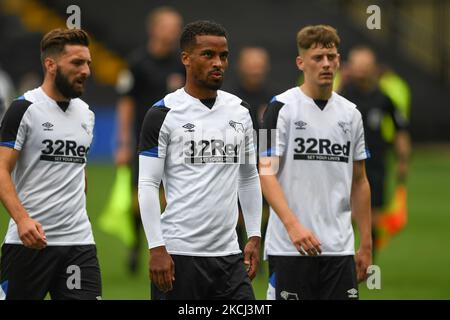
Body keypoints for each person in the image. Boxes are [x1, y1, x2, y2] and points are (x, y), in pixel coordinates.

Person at [138, 20, 262, 300]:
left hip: (230, 256)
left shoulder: (241, 111)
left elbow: (249, 176)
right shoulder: (162, 113)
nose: (218, 62)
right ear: (186, 58)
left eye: (223, 56)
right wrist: (157, 247)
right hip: (179, 255)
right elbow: (147, 183)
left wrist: (253, 235)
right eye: (208, 55)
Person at [260, 25, 372, 300]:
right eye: (318, 57)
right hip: (289, 247)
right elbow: (264, 171)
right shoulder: (276, 107)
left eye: (332, 57)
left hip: (339, 248)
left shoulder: (352, 114)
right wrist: (293, 226)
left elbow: (360, 181)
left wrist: (366, 244)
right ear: (301, 62)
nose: (326, 64)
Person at [0, 28, 101, 300]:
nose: (86, 71)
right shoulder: (23, 109)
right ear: (51, 64)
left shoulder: (86, 114)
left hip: (78, 243)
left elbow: (81, 170)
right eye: (77, 63)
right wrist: (22, 220)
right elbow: (1, 170)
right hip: (28, 244)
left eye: (88, 63)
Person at [114, 6, 185, 273]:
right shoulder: (136, 62)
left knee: (171, 197)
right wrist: (122, 142)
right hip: (143, 141)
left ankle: (168, 247)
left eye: (177, 26)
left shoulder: (182, 62)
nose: (174, 31)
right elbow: (126, 102)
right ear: (154, 28)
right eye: (169, 25)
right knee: (139, 197)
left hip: (176, 142)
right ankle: (135, 244)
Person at [339, 46, 411, 253]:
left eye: (365, 66)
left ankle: (369, 260)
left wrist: (403, 160)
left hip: (376, 163)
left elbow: (401, 130)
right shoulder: (340, 95)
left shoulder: (384, 98)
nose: (361, 70)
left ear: (374, 68)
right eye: (357, 65)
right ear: (349, 67)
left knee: (374, 215)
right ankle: (344, 258)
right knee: (345, 214)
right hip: (345, 163)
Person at [232, 46, 272, 250]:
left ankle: (261, 252)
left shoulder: (272, 99)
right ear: (241, 67)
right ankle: (238, 249)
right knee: (237, 210)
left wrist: (268, 164)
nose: (256, 70)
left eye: (259, 65)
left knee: (265, 208)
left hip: (264, 159)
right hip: (237, 159)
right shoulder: (231, 99)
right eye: (251, 65)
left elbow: (271, 134)